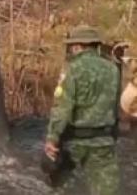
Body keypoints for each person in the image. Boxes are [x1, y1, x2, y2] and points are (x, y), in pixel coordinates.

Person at [44, 25, 120, 195]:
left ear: (77, 46)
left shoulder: (72, 69)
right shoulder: (113, 70)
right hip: (103, 140)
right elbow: (114, 106)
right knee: (106, 190)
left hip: (74, 141)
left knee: (59, 186)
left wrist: (52, 138)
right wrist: (113, 134)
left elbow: (62, 108)